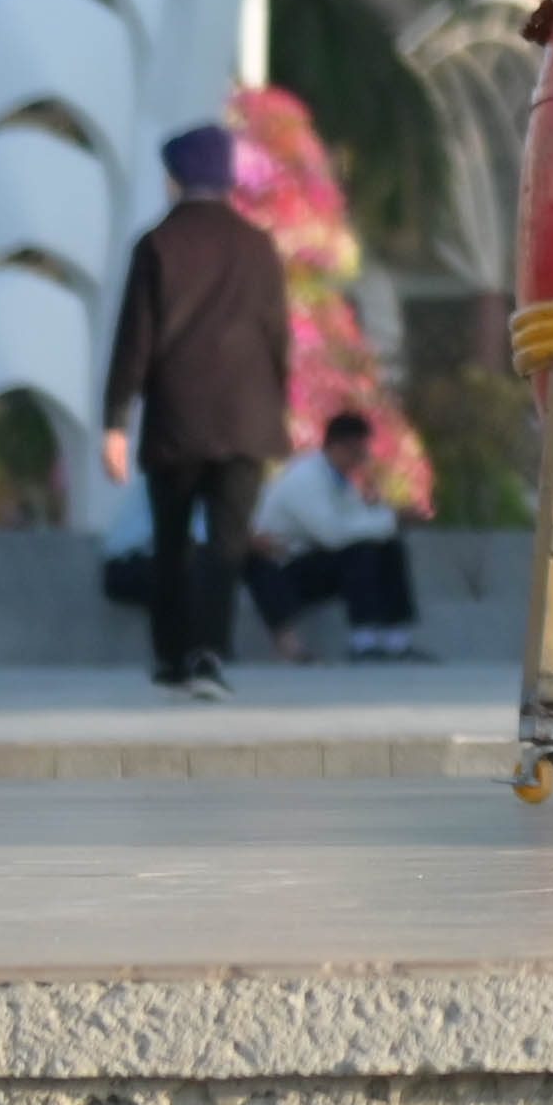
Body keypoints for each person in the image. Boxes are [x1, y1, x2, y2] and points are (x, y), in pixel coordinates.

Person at [104, 120, 292, 701]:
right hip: (247, 416)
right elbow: (278, 338)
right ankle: (211, 653)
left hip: (177, 418)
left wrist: (115, 419)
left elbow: (134, 339)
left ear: (177, 177)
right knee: (227, 544)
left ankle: (171, 658)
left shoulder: (157, 244)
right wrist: (275, 408)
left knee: (171, 540)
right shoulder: (258, 245)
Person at [248, 410, 429, 661]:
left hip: (316, 559)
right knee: (359, 552)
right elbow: (333, 534)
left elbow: (358, 523)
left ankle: (396, 639)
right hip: (285, 567)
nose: (361, 459)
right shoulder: (305, 477)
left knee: (389, 548)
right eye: (356, 451)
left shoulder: (342, 481)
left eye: (364, 451)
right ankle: (363, 641)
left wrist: (385, 514)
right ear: (335, 446)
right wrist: (391, 519)